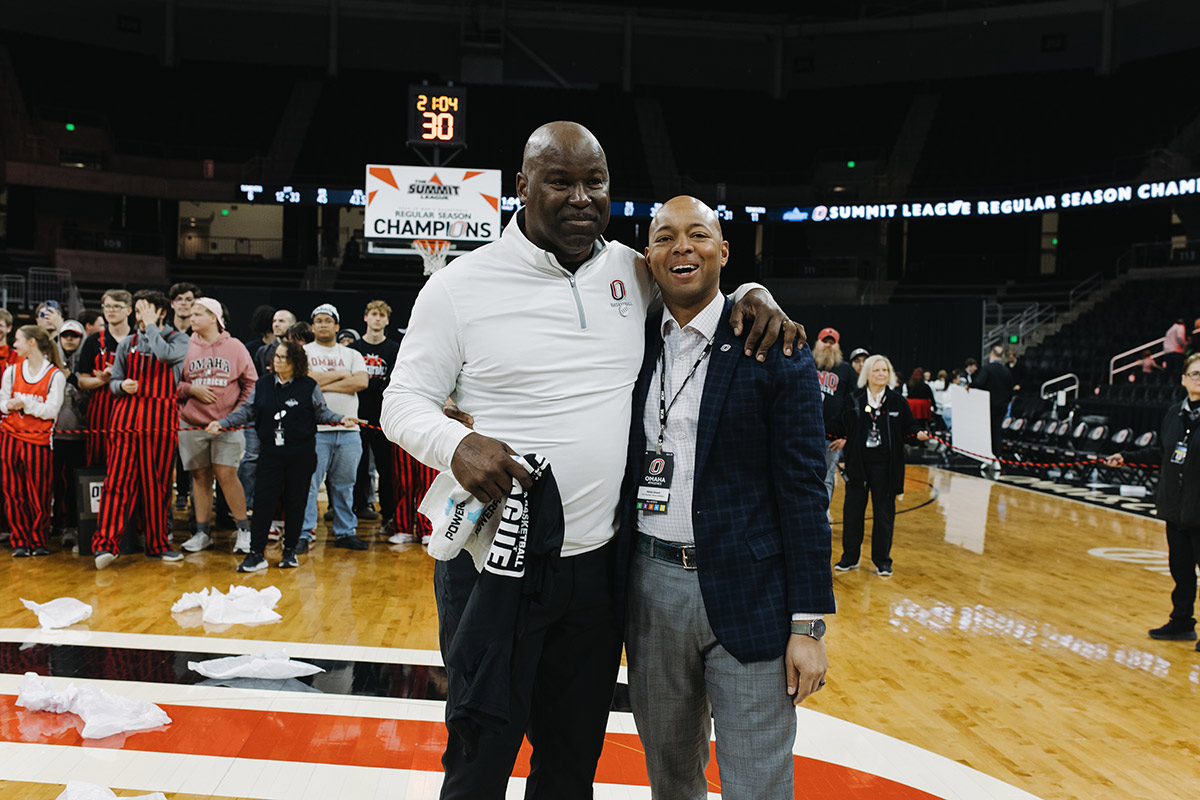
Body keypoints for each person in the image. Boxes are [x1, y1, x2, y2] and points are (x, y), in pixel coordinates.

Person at [380, 121, 799, 799]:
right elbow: (401, 402)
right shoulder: (460, 286)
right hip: (494, 566)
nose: (582, 197)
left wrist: (756, 294)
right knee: (479, 758)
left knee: (572, 764)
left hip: (599, 570)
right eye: (561, 180)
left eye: (595, 181)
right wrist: (456, 444)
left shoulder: (633, 273)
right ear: (521, 187)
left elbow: (702, 294)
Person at [621, 196, 832, 800]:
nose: (681, 247)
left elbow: (803, 493)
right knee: (670, 778)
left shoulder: (773, 347)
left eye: (698, 235)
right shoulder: (631, 345)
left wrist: (808, 624)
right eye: (665, 237)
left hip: (752, 592)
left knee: (757, 784)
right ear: (648, 255)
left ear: (724, 251)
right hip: (649, 585)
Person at [208, 340, 360, 572]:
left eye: (282, 358)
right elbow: (248, 411)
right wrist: (222, 423)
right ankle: (256, 554)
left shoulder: (309, 386)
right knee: (263, 503)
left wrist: (341, 418)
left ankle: (289, 552)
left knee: (295, 502)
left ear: (295, 362)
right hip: (270, 453)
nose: (276, 361)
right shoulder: (263, 384)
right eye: (276, 357)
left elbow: (321, 412)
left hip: (301, 453)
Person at [1106, 352, 1200, 645]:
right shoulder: (1174, 412)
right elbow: (1163, 452)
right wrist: (1127, 457)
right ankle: (1182, 622)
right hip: (1175, 508)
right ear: (1184, 379)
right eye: (1195, 373)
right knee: (1181, 571)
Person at [92, 290, 190, 569]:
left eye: (144, 310)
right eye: (137, 311)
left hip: (160, 423)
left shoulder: (179, 340)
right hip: (125, 421)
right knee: (116, 483)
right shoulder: (127, 343)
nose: (138, 316)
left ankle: (158, 544)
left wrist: (150, 328)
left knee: (157, 487)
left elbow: (164, 355)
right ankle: (105, 545)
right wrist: (120, 386)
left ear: (160, 312)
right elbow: (114, 382)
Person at [833, 354, 929, 576]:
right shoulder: (854, 398)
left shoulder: (897, 402)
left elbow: (910, 429)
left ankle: (882, 560)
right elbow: (840, 425)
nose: (881, 374)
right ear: (867, 373)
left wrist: (919, 435)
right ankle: (849, 557)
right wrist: (837, 435)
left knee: (884, 515)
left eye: (885, 371)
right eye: (877, 370)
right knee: (853, 513)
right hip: (858, 465)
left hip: (886, 467)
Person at [177, 298, 257, 554]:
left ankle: (244, 531)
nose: (192, 318)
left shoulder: (234, 346)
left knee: (226, 474)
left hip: (227, 426)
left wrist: (234, 415)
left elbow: (251, 383)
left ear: (214, 317)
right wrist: (191, 388)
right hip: (192, 424)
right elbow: (170, 384)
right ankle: (202, 533)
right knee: (199, 477)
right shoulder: (184, 345)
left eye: (198, 314)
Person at [301, 303, 369, 552]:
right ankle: (305, 532)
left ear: (337, 326)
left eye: (327, 320)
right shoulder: (304, 352)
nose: (323, 324)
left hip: (349, 429)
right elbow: (304, 380)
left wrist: (320, 385)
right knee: (309, 484)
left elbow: (361, 382)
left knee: (345, 484)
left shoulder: (352, 354)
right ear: (312, 326)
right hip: (315, 431)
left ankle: (345, 532)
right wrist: (341, 375)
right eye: (318, 320)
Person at [0, 325, 66, 556]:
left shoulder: (55, 375)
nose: (14, 344)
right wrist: (9, 405)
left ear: (31, 343)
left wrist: (25, 404)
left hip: (38, 441)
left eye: (17, 340)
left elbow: (51, 411)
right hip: (10, 438)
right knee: (13, 492)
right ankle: (20, 540)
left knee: (39, 494)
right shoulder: (12, 371)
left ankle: (38, 539)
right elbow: (1, 403)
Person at [350, 300, 399, 526]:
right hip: (356, 415)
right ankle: (357, 509)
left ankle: (389, 514)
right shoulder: (354, 350)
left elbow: (392, 383)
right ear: (365, 317)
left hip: (383, 419)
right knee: (356, 468)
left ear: (387, 320)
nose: (377, 318)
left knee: (386, 470)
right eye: (373, 314)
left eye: (382, 315)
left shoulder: (394, 349)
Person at [77, 290, 133, 467]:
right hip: (101, 408)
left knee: (129, 459)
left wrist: (117, 376)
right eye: (107, 306)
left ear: (129, 310)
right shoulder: (93, 341)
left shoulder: (141, 339)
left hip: (131, 407)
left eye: (117, 306)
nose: (111, 310)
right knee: (97, 459)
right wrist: (105, 380)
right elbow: (82, 381)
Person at [53, 320, 88, 549]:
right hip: (54, 435)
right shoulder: (50, 363)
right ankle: (57, 524)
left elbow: (88, 399)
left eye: (74, 336)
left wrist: (73, 380)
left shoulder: (85, 362)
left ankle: (74, 526)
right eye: (65, 336)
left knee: (76, 484)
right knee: (56, 483)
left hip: (80, 434)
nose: (69, 340)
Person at [813, 327, 856, 513]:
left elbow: (853, 405)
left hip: (832, 437)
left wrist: (846, 436)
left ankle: (823, 514)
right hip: (805, 434)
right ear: (818, 342)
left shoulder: (846, 370)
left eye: (832, 342)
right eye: (825, 341)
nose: (828, 345)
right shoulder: (805, 362)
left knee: (827, 478)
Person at [968, 345, 1013, 459]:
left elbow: (979, 383)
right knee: (997, 430)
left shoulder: (987, 369)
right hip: (1002, 406)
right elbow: (1010, 390)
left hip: (988, 405)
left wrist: (969, 385)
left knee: (986, 431)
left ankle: (986, 455)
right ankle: (997, 455)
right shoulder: (1007, 371)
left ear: (991, 354)